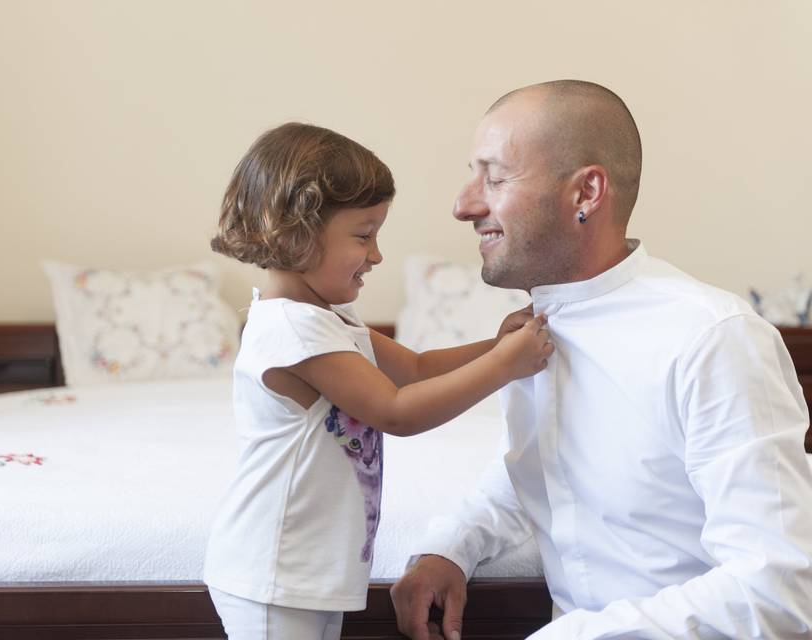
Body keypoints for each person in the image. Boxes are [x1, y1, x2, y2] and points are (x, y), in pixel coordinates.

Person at [390, 80, 812, 639]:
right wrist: (449, 549)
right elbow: (531, 469)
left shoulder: (713, 339)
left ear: (586, 193)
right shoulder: (535, 329)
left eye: (494, 177)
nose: (464, 204)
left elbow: (781, 587)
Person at [202, 122, 554, 639]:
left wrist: (495, 345)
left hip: (306, 571)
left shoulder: (326, 318)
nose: (376, 255)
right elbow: (396, 410)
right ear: (295, 231)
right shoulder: (291, 329)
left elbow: (414, 369)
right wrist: (504, 366)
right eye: (364, 236)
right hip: (273, 571)